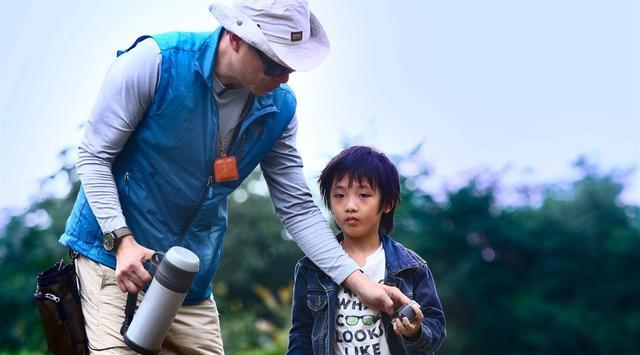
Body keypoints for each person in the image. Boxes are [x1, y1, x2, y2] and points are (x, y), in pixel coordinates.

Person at [59, 1, 408, 354]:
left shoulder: (280, 108)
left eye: (290, 66)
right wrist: (122, 241)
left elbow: (297, 210)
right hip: (115, 263)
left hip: (189, 284)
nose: (284, 77)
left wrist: (359, 282)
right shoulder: (155, 62)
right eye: (274, 63)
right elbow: (93, 156)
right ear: (236, 37)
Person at [287, 146, 446, 355]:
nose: (350, 206)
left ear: (387, 203)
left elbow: (435, 330)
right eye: (339, 195)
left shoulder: (411, 267)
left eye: (363, 195)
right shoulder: (311, 268)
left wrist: (414, 332)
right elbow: (301, 335)